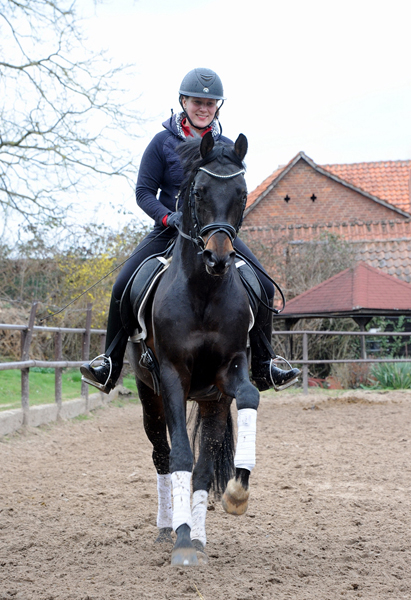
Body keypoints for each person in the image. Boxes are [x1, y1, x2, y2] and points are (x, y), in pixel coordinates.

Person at [81, 68, 300, 394]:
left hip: (214, 233)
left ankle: (264, 364)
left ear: (217, 107)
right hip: (171, 231)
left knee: (265, 285)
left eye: (211, 104)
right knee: (123, 282)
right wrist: (168, 218)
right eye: (198, 101)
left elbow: (234, 194)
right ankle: (109, 363)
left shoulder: (226, 146)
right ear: (184, 101)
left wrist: (226, 224)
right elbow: (143, 192)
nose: (204, 108)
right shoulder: (162, 143)